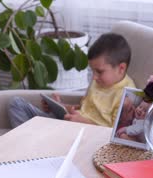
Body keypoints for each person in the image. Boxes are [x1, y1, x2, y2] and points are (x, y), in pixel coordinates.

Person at [8, 33, 136, 128]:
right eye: (92, 71)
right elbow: (82, 109)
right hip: (68, 122)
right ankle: (32, 143)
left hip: (82, 134)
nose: (94, 77)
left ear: (121, 68)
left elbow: (116, 135)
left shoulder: (127, 97)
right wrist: (60, 106)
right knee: (16, 103)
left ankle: (29, 143)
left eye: (100, 71)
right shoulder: (99, 81)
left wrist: (84, 123)